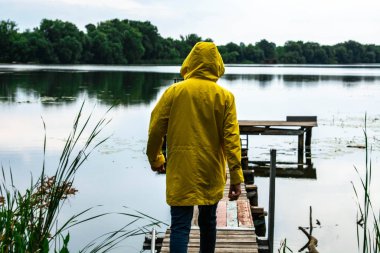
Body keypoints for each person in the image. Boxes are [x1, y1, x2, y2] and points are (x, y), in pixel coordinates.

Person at [146, 41, 244, 253]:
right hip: (211, 170)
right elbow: (232, 140)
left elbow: (155, 128)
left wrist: (156, 159)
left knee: (180, 226)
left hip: (181, 170)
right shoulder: (225, 97)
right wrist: (236, 177)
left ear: (190, 62)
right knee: (208, 222)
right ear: (217, 64)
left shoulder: (174, 92)